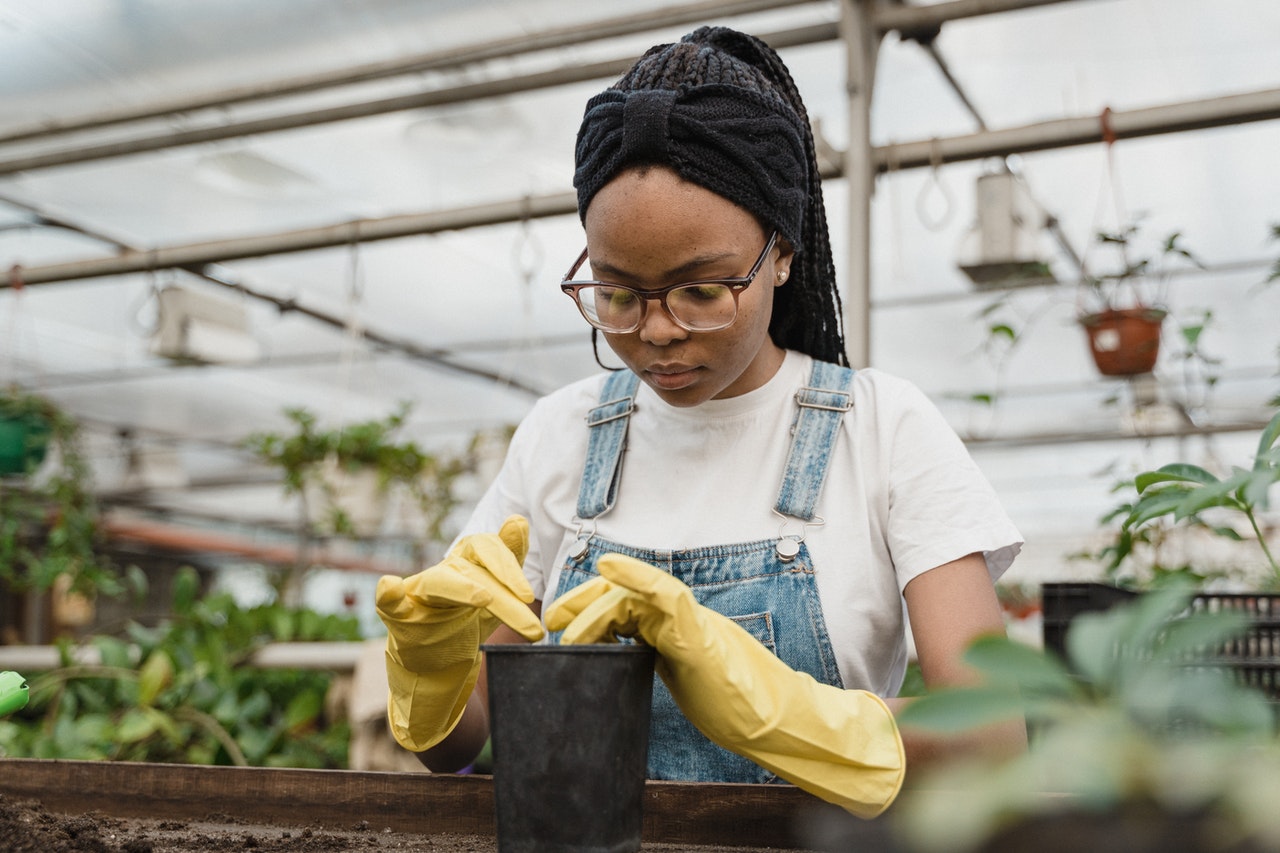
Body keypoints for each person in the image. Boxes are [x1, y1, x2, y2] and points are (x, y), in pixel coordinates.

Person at [375, 25, 1024, 819]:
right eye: (617, 293)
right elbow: (461, 746)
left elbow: (991, 736)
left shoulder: (882, 429)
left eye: (702, 291)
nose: (655, 331)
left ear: (781, 252)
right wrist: (433, 669)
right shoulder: (562, 435)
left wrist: (775, 707)